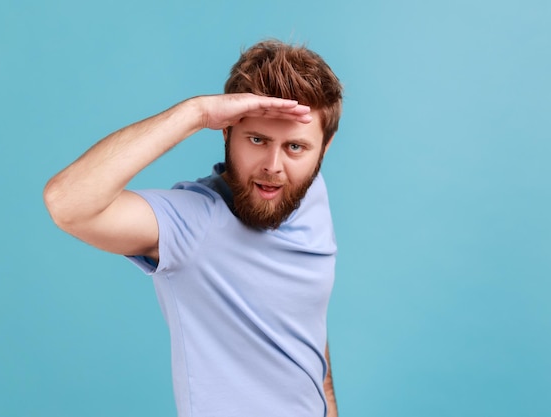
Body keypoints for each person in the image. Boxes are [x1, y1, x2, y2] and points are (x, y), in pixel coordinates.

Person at [44, 39, 343, 417]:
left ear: (324, 148)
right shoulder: (193, 223)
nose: (273, 166)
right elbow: (67, 203)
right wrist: (196, 112)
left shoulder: (308, 192)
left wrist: (329, 403)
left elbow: (304, 319)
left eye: (295, 148)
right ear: (225, 132)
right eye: (256, 139)